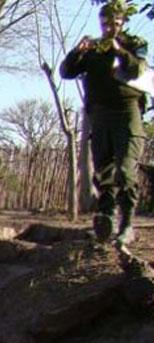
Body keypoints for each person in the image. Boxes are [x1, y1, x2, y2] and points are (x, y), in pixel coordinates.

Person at [61, 1, 148, 247]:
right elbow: (66, 72)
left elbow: (136, 70)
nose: (110, 27)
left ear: (122, 23)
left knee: (125, 170)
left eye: (115, 23)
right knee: (104, 171)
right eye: (106, 23)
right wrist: (78, 50)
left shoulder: (135, 44)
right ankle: (105, 219)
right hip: (100, 115)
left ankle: (127, 225)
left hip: (127, 113)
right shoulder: (93, 49)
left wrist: (119, 50)